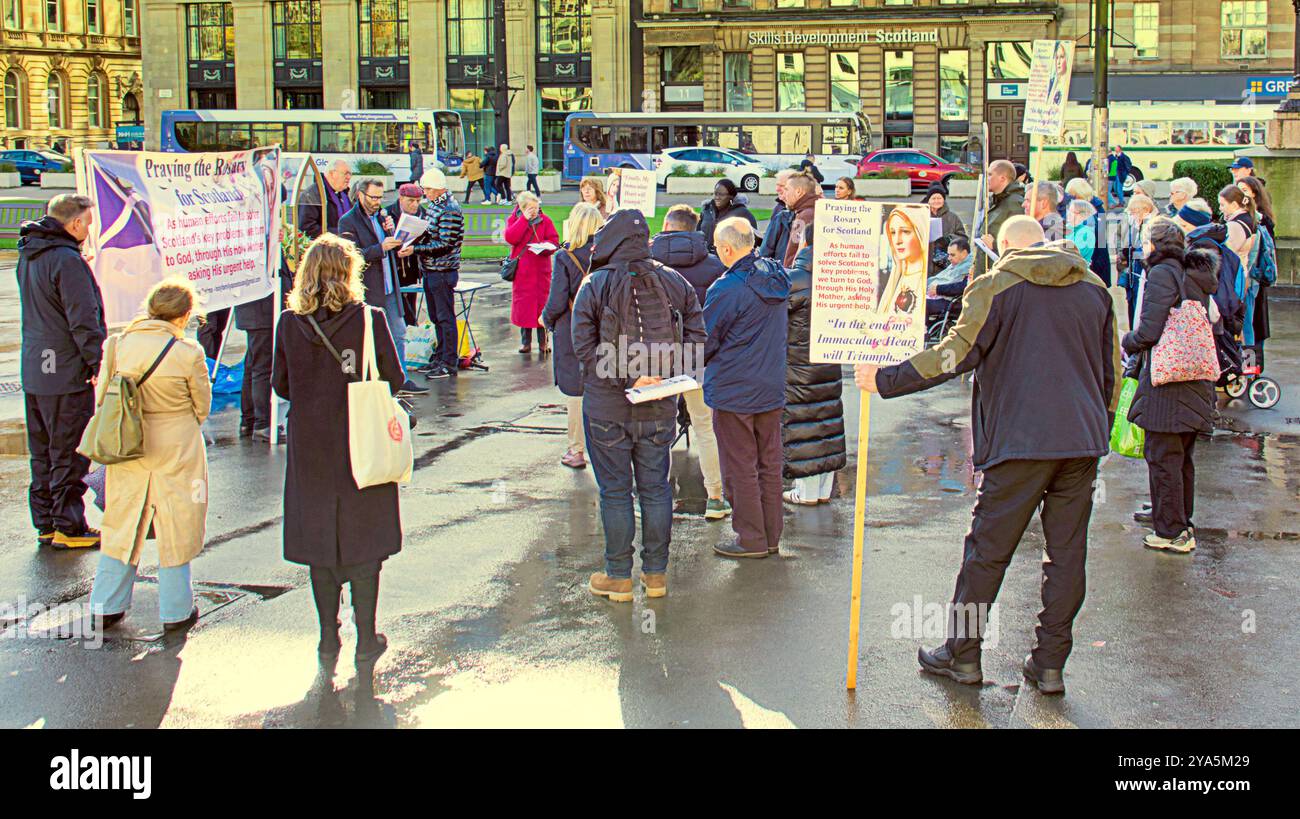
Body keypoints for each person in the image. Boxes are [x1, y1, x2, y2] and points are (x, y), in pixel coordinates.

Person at [856, 216, 1120, 696]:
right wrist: (1099, 424)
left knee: (987, 553)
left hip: (1019, 440)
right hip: (1081, 440)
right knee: (1066, 556)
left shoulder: (995, 286)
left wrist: (887, 380)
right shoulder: (1093, 287)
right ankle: (1049, 664)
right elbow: (1111, 370)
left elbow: (955, 352)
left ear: (1003, 248)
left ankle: (963, 654)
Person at [273, 234, 406, 664]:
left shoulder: (289, 323)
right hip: (361, 437)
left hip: (312, 440)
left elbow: (280, 383)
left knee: (319, 544)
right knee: (365, 540)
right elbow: (394, 378)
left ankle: (327, 635)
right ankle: (366, 636)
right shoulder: (369, 319)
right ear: (350, 274)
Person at [571, 209, 706, 600]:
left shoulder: (594, 283)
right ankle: (656, 574)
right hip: (658, 404)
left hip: (608, 408)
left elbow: (583, 347)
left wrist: (629, 377)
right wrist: (666, 374)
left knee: (616, 492)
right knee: (655, 488)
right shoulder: (673, 280)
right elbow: (697, 336)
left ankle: (619, 576)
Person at [89, 280, 211, 631]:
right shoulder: (188, 352)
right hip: (178, 447)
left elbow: (103, 398)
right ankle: (176, 610)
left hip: (128, 442)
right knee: (177, 524)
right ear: (186, 314)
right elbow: (201, 405)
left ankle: (106, 605)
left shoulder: (118, 344)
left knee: (122, 522)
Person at [1121, 217, 1219, 554]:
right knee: (1181, 457)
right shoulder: (1196, 274)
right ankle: (1181, 522)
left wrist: (1127, 341)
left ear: (1155, 243)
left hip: (1168, 379)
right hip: (1196, 375)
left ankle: (1171, 531)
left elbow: (1149, 330)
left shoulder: (1163, 273)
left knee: (1162, 456)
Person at [17, 194, 107, 549]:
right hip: (64, 368)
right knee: (68, 449)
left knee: (43, 449)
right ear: (74, 225)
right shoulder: (67, 261)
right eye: (87, 222)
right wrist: (98, 362)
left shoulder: (30, 255)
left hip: (37, 365)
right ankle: (69, 525)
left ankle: (46, 522)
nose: (89, 228)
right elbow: (83, 319)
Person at [703, 218, 792, 559]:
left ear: (726, 249)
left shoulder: (727, 288)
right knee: (768, 463)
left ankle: (751, 538)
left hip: (734, 390)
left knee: (740, 465)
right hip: (769, 385)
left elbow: (707, 339)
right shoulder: (775, 274)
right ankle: (769, 536)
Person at [648, 204, 730, 520]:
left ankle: (655, 496)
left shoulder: (648, 266)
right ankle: (715, 496)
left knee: (658, 429)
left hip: (656, 357)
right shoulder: (713, 266)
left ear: (667, 226)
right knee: (705, 427)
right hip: (699, 355)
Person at [337, 177, 427, 395]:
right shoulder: (348, 222)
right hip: (369, 288)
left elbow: (389, 247)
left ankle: (400, 377)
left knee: (399, 332)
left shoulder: (381, 217)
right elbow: (350, 256)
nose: (378, 202)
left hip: (389, 284)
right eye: (373, 197)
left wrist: (392, 236)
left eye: (380, 197)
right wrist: (380, 247)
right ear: (360, 195)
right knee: (368, 335)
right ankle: (368, 379)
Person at [782, 225, 846, 506]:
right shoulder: (839, 277)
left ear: (805, 241)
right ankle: (821, 489)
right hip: (829, 361)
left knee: (803, 424)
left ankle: (805, 491)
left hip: (798, 364)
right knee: (826, 421)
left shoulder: (795, 278)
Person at [542, 203, 604, 469]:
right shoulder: (608, 255)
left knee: (576, 392)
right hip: (604, 325)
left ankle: (577, 450)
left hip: (573, 327)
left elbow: (557, 299)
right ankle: (603, 449)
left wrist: (546, 319)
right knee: (604, 386)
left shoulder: (565, 257)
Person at [413, 170, 464, 379]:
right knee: (436, 316)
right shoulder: (437, 206)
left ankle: (448, 361)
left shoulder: (449, 209)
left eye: (428, 189)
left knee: (444, 317)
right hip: (432, 269)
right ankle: (440, 356)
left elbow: (445, 244)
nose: (426, 194)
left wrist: (416, 249)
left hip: (442, 270)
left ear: (439, 188)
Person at [504, 190, 559, 354]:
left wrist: (546, 247)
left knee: (542, 307)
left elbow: (554, 240)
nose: (534, 211)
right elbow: (511, 237)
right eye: (530, 208)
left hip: (541, 271)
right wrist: (524, 220)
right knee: (524, 308)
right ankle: (525, 342)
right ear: (522, 207)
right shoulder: (515, 220)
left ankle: (543, 342)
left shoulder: (545, 221)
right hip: (523, 272)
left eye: (536, 207)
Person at [1238, 175, 1273, 367]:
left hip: (1251, 278)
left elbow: (1254, 255)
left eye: (1244, 190)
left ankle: (1249, 366)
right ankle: (1247, 365)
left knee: (1248, 324)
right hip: (1248, 277)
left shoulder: (1258, 221)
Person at [976, 160, 1024, 277]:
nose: (987, 179)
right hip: (987, 269)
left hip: (1000, 273)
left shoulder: (1015, 203)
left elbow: (1020, 241)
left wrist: (995, 244)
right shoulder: (997, 200)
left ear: (1002, 178)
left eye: (990, 174)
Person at [1118, 194, 1156, 327]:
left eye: (1134, 212)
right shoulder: (1135, 226)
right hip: (1133, 277)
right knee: (1132, 310)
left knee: (1140, 312)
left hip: (1144, 277)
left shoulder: (1152, 226)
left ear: (1145, 211)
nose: (1131, 215)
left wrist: (1133, 252)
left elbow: (1150, 253)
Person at [698, 178, 757, 254]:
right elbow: (698, 234)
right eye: (715, 193)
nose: (717, 197)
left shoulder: (742, 214)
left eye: (722, 194)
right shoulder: (706, 210)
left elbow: (752, 242)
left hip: (730, 263)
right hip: (705, 260)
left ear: (731, 197)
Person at [300, 159, 352, 239]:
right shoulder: (312, 194)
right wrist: (340, 235)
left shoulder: (345, 193)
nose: (349, 177)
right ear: (332, 173)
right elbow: (307, 227)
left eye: (350, 174)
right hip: (325, 247)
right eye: (345, 174)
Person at [926, 235, 972, 321]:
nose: (949, 258)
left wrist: (938, 289)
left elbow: (963, 287)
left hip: (953, 302)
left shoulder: (970, 267)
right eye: (949, 255)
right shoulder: (956, 264)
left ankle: (923, 333)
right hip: (941, 297)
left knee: (921, 306)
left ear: (964, 253)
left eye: (952, 255)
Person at [781, 172, 820, 268]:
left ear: (798, 191)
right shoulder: (815, 210)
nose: (783, 194)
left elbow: (793, 252)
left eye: (786, 189)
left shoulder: (804, 217)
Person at [758, 169, 797, 262]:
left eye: (782, 186)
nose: (777, 189)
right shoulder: (778, 208)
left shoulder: (800, 212)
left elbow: (766, 249)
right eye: (777, 184)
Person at [1066, 198, 1098, 263]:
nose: (1068, 213)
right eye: (1068, 210)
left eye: (1072, 212)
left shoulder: (1086, 233)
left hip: (1078, 269)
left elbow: (1075, 255)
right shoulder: (1067, 227)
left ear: (1082, 215)